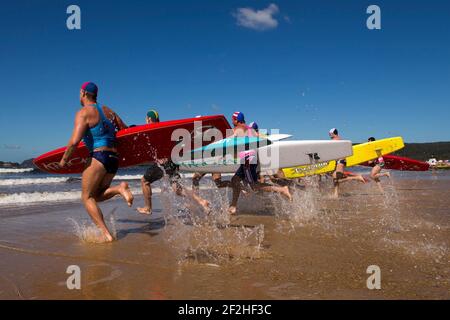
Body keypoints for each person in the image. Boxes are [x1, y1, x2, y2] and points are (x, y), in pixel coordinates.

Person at [58, 82, 133, 242]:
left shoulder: (83, 113)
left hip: (99, 157)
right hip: (114, 159)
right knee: (97, 196)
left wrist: (64, 161)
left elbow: (74, 142)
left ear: (83, 93)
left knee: (86, 197)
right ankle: (120, 188)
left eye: (79, 93)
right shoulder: (109, 111)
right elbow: (125, 130)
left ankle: (106, 234)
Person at [136, 109, 211, 215]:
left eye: (146, 118)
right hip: (172, 162)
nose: (145, 120)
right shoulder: (165, 129)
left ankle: (148, 208)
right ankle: (202, 201)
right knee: (178, 190)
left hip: (163, 163)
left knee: (144, 181)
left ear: (149, 119)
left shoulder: (151, 129)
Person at [228, 112, 292, 215]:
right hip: (250, 159)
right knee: (235, 180)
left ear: (236, 120)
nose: (232, 122)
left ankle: (282, 190)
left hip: (248, 160)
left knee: (254, 185)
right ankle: (233, 206)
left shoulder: (238, 129)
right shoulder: (250, 129)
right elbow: (260, 138)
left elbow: (230, 140)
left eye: (233, 120)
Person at [329, 128, 365, 198]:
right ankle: (336, 193)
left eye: (329, 134)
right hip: (339, 161)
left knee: (338, 179)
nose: (329, 135)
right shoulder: (339, 139)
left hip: (340, 161)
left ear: (332, 133)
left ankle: (357, 177)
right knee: (334, 177)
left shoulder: (335, 140)